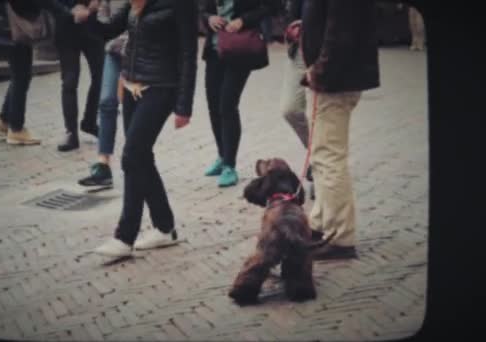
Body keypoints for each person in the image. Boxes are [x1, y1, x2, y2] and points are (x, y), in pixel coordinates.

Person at [82, 0, 198, 257]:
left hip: (162, 86)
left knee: (132, 156)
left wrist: (184, 106)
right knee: (141, 157)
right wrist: (88, 15)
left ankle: (125, 237)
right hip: (133, 85)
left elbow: (189, 53)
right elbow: (108, 30)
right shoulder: (134, 3)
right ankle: (165, 227)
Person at [300, 0, 380, 260]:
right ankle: (322, 222)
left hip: (334, 81)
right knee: (322, 156)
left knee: (328, 157)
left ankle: (341, 237)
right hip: (334, 78)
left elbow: (341, 32)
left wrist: (321, 70)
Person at [200, 0, 276, 188]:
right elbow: (199, 7)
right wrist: (209, 18)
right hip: (215, 49)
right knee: (213, 104)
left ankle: (229, 166)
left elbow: (271, 6)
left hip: (240, 48)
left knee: (227, 104)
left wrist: (243, 20)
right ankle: (222, 154)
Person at [0, 0, 83, 145]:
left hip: (1, 28)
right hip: (14, 31)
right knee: (21, 77)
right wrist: (68, 12)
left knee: (19, 76)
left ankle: (4, 121)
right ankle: (16, 129)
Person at [78, 32, 129, 189]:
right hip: (114, 47)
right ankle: (103, 167)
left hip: (142, 49)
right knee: (107, 101)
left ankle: (134, 162)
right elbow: (104, 18)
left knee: (133, 105)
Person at [54, 0, 106, 152]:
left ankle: (89, 122)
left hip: (91, 26)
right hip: (66, 28)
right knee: (70, 82)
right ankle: (71, 132)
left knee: (101, 77)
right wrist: (70, 10)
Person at [280, 0, 314, 199]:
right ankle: (317, 157)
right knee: (290, 109)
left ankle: (319, 167)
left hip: (327, 50)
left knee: (319, 116)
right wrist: (292, 27)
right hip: (299, 50)